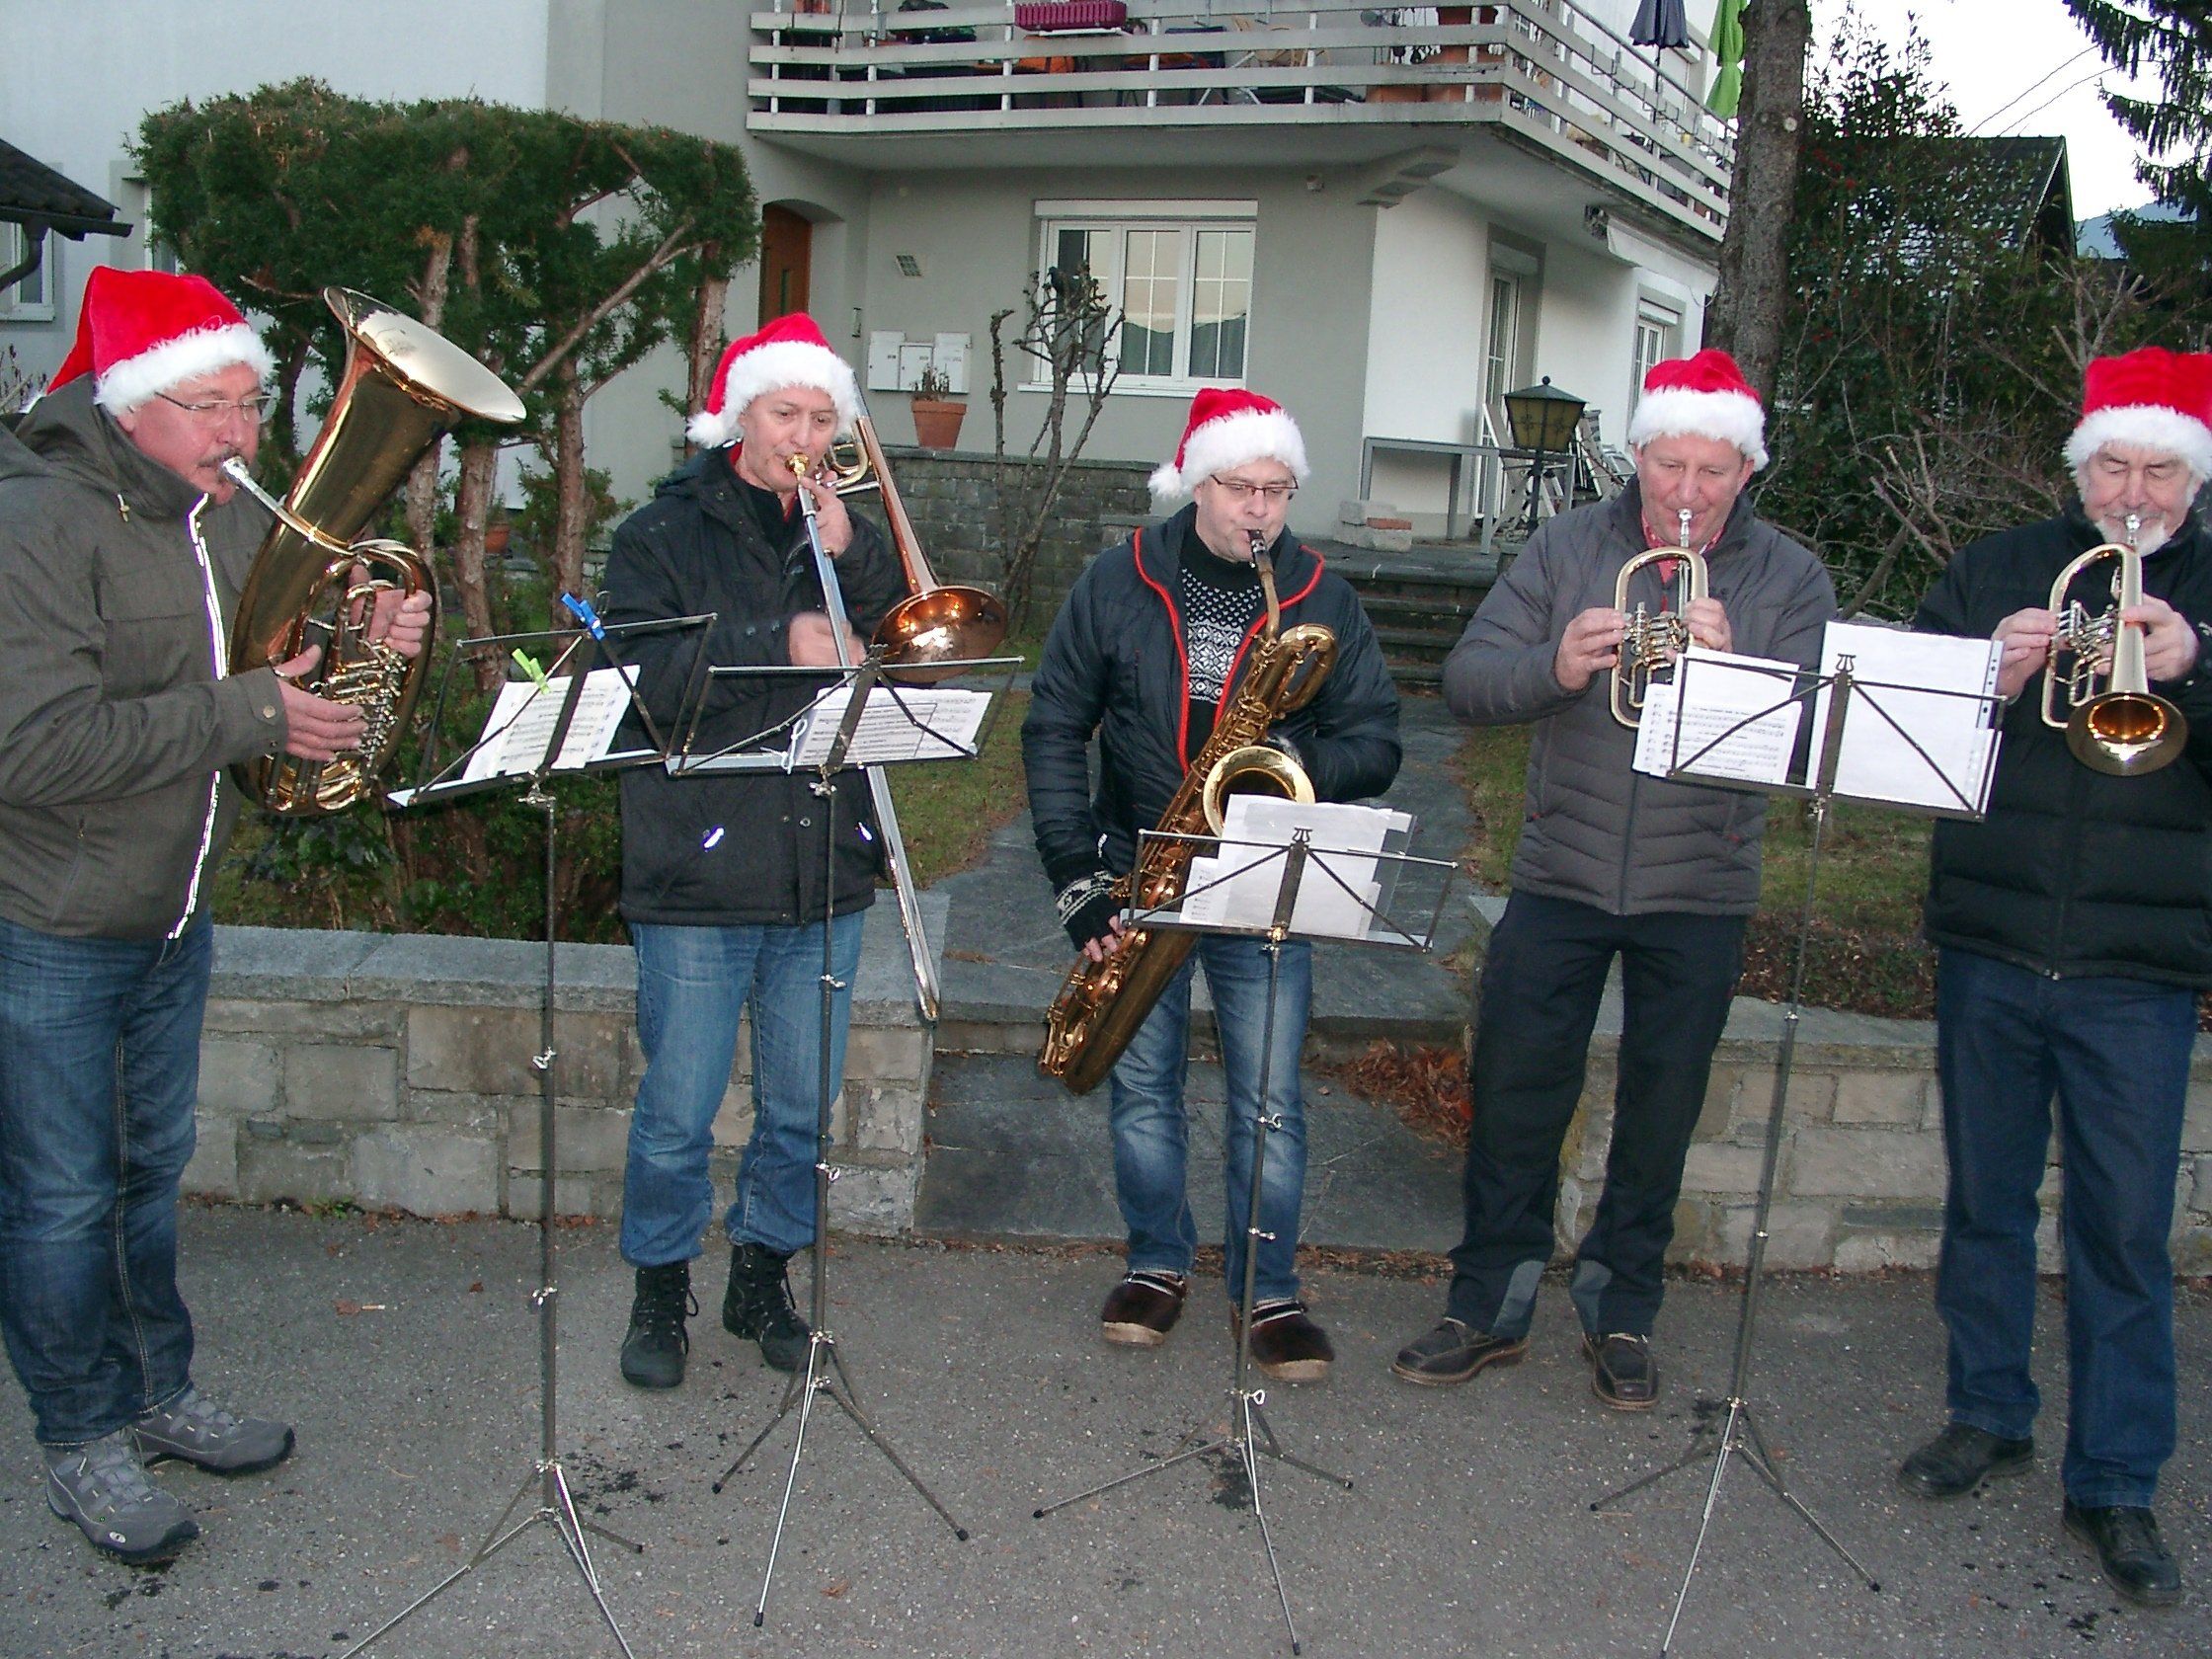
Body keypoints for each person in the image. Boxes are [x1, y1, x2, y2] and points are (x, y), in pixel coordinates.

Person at [0, 268, 430, 1563]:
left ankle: (154, 1392)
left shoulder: (220, 513)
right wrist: (251, 714)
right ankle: (80, 1434)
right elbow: (32, 747)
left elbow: (274, 663)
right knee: (59, 1201)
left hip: (170, 917)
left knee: (143, 1180)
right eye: (213, 408)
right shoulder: (38, 521)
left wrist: (372, 633)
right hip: (52, 926)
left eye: (249, 403)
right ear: (128, 404)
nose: (244, 435)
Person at [1392, 350, 1836, 1409]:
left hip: (1701, 886)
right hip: (1562, 872)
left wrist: (1731, 673)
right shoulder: (1566, 545)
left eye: (1712, 470)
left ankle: (1622, 1310)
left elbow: (1810, 740)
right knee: (1514, 1097)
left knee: (1659, 1111)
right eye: (1668, 464)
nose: (1687, 490)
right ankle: (1487, 1304)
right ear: (1635, 455)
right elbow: (1467, 681)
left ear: (1747, 470)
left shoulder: (1790, 576)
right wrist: (1554, 667)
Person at [1895, 347, 2212, 1609]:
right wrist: (1988, 672)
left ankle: (2116, 1479)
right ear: (2077, 471)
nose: (2131, 494)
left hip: (2137, 963)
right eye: (2111, 467)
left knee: (2120, 1232)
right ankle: (1986, 1412)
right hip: (1990, 936)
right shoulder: (1997, 568)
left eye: (2158, 471)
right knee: (1982, 1202)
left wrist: (2194, 668)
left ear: (2192, 479)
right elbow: (1902, 730)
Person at [1022, 388, 1401, 1382]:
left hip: (1262, 872)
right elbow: (1054, 726)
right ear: (1197, 482)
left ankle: (1268, 1288)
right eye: (1242, 488)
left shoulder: (1319, 594)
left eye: (1278, 490)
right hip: (1139, 862)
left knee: (1269, 1098)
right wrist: (1074, 875)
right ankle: (1156, 1262)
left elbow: (1377, 740)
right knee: (1142, 1089)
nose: (1261, 510)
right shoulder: (1117, 579)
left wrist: (1293, 760)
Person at [603, 314, 904, 1389]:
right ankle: (658, 1286)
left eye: (823, 418)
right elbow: (641, 675)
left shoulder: (844, 530)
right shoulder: (659, 533)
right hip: (696, 863)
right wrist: (778, 642)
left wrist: (854, 556)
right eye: (787, 414)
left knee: (799, 1108)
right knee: (677, 1110)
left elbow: (907, 646)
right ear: (740, 418)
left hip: (824, 860)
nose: (806, 438)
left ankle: (763, 1274)